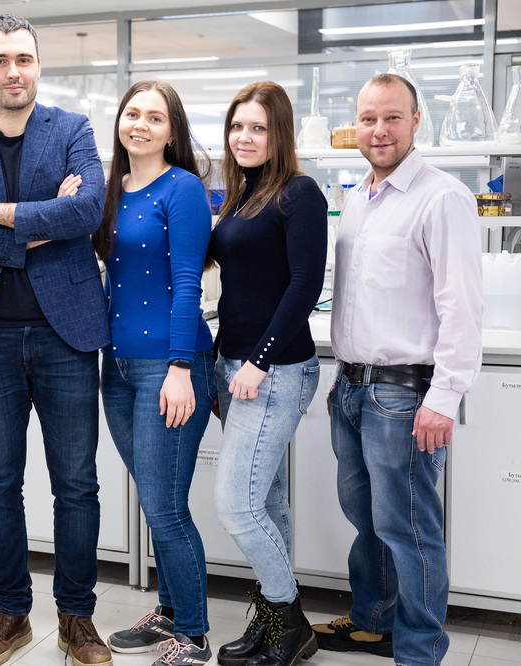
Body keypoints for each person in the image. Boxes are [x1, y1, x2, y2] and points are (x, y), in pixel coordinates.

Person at [0, 13, 112, 666]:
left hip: (68, 335)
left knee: (77, 485)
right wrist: (39, 226)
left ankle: (76, 616)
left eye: (24, 59)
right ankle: (11, 610)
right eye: (1, 60)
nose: (14, 71)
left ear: (39, 65)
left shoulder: (73, 129)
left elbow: (86, 211)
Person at [311, 73, 483, 666]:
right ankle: (373, 621)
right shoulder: (359, 198)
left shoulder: (442, 197)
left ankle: (419, 650)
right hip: (353, 388)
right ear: (354, 126)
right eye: (368, 119)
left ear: (415, 122)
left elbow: (461, 306)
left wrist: (444, 396)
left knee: (409, 528)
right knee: (367, 520)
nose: (378, 130)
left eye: (391, 118)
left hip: (406, 395)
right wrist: (343, 376)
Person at [93, 80, 217, 666]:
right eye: (132, 113)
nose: (140, 124)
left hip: (168, 367)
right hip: (116, 368)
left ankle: (193, 634)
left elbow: (190, 283)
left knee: (166, 506)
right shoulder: (110, 189)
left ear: (172, 132)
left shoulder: (182, 188)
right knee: (153, 498)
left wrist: (180, 367)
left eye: (155, 117)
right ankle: (169, 612)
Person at [207, 81, 326, 666]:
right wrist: (222, 360)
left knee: (237, 505)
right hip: (235, 366)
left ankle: (289, 619)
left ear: (280, 133)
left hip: (275, 370)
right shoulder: (241, 195)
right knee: (269, 502)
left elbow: (305, 284)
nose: (245, 137)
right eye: (237, 126)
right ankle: (274, 622)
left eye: (258, 127)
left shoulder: (299, 193)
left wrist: (258, 360)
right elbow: (237, 286)